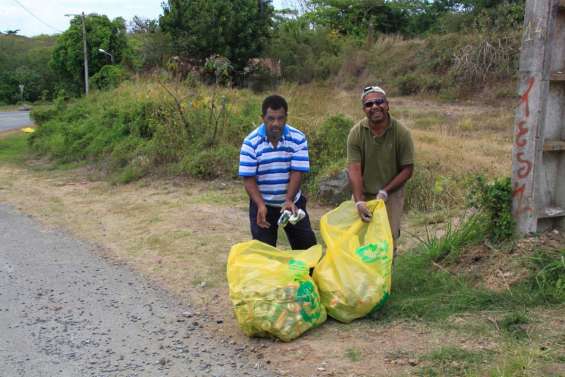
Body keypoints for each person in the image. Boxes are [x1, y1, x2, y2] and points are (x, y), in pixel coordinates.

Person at [238, 94, 317, 250]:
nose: (276, 123)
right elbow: (249, 179)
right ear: (263, 118)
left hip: (292, 202)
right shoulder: (250, 142)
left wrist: (289, 200)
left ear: (286, 117)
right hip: (263, 203)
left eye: (280, 118)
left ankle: (306, 274)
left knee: (307, 247)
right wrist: (260, 204)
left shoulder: (298, 138)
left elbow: (297, 172)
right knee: (265, 253)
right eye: (271, 118)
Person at [347, 85, 414, 251]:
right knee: (358, 238)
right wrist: (359, 200)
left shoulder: (401, 133)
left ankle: (385, 276)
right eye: (369, 104)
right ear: (364, 109)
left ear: (387, 105)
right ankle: (361, 276)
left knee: (387, 239)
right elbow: (354, 168)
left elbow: (407, 169)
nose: (375, 106)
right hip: (364, 191)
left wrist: (385, 191)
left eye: (379, 102)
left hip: (391, 193)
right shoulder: (356, 133)